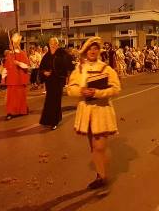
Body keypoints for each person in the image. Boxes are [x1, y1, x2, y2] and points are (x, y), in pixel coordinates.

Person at [67, 36, 121, 190]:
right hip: (87, 112)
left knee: (99, 147)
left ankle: (102, 177)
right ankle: (100, 174)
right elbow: (71, 89)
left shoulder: (106, 68)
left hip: (102, 111)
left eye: (96, 48)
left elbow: (116, 89)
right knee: (94, 147)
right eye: (90, 48)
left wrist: (97, 92)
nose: (93, 51)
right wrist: (81, 90)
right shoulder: (79, 69)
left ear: (99, 51)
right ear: (85, 51)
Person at [39, 37, 75, 130]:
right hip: (49, 81)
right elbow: (41, 68)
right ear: (49, 44)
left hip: (58, 80)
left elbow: (70, 61)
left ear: (58, 44)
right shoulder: (46, 56)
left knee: (56, 101)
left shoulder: (61, 53)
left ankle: (55, 121)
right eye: (51, 43)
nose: (53, 44)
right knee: (49, 101)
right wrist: (44, 72)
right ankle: (46, 120)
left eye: (55, 43)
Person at [4, 33, 30, 120]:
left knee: (20, 96)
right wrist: (4, 76)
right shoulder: (9, 55)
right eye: (12, 43)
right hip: (11, 80)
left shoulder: (22, 53)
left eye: (15, 43)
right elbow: (6, 66)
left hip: (20, 79)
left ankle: (21, 110)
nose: (13, 45)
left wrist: (18, 63)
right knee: (11, 98)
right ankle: (10, 112)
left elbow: (26, 65)